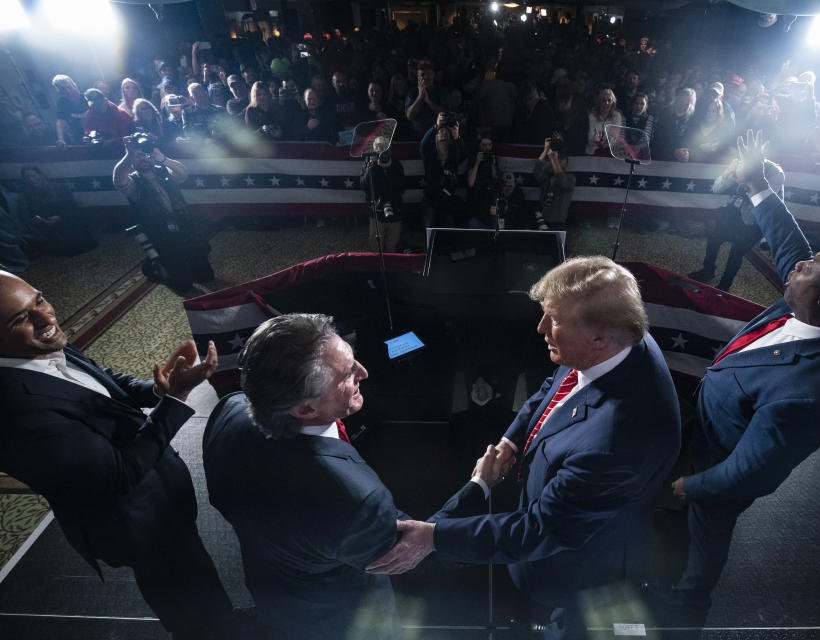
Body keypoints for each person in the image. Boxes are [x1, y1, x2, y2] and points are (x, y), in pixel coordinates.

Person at [366, 256, 683, 639]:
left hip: (573, 567)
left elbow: (539, 529)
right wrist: (512, 439)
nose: (541, 328)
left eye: (554, 321)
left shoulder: (617, 441)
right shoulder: (619, 341)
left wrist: (433, 538)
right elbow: (555, 387)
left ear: (599, 338)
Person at [667, 130, 820, 616]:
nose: (795, 268)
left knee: (708, 533)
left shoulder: (809, 397)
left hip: (716, 470)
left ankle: (688, 602)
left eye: (809, 267)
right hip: (711, 423)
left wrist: (693, 488)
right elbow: (789, 243)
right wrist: (757, 186)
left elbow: (749, 473)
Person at [203, 314, 491, 640]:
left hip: (276, 591)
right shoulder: (354, 499)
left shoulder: (230, 410)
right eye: (349, 373)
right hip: (342, 621)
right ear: (307, 410)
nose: (363, 373)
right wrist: (479, 484)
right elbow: (422, 553)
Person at [0, 271, 234, 639]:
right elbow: (120, 474)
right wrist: (175, 401)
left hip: (157, 501)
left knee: (197, 576)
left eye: (40, 300)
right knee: (186, 599)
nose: (46, 319)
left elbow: (105, 382)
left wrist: (159, 390)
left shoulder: (39, 343)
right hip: (135, 524)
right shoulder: (13, 412)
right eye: (19, 318)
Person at [112, 134, 214, 291]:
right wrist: (129, 154)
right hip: (161, 236)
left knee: (206, 277)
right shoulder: (133, 183)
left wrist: (162, 158)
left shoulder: (164, 171)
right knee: (183, 287)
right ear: (132, 162)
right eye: (138, 156)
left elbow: (183, 174)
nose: (143, 158)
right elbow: (118, 180)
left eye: (145, 154)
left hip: (185, 229)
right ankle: (152, 266)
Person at [688, 156, 785, 291]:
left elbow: (763, 202)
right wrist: (728, 172)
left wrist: (747, 181)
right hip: (735, 210)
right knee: (714, 239)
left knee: (736, 253)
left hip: (755, 219)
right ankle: (708, 270)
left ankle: (724, 287)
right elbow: (717, 189)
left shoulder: (775, 172)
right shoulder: (741, 162)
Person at [18, 165, 98, 256]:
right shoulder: (26, 194)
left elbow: (72, 207)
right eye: (28, 177)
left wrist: (59, 217)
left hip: (65, 219)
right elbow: (29, 212)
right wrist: (38, 219)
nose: (31, 180)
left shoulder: (59, 188)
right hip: (44, 224)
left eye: (34, 175)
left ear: (40, 175)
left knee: (76, 245)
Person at [360, 139, 405, 252]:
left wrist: (389, 169)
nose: (382, 151)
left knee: (392, 245)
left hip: (395, 210)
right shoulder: (369, 164)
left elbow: (401, 188)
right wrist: (373, 166)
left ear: (390, 150)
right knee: (375, 247)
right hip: (377, 212)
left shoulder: (397, 164)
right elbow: (365, 187)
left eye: (385, 147)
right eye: (378, 148)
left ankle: (392, 267)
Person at [532, 137, 576, 230]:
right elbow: (536, 170)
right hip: (541, 221)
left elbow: (562, 181)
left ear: (567, 163)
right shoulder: (547, 177)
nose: (559, 160)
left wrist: (554, 159)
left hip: (558, 224)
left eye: (562, 158)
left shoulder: (571, 179)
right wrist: (546, 150)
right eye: (558, 157)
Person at [585, 87, 624, 155]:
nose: (606, 103)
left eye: (609, 100)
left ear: (613, 102)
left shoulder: (617, 116)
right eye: (603, 100)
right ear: (599, 102)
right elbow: (590, 136)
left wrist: (604, 144)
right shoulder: (592, 116)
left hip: (611, 151)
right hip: (593, 151)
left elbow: (615, 137)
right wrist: (595, 140)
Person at [52, 74, 88, 146]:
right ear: (60, 92)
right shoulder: (62, 102)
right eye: (63, 89)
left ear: (74, 85)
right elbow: (60, 121)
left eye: (69, 87)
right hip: (79, 137)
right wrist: (61, 139)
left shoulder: (86, 97)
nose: (68, 91)